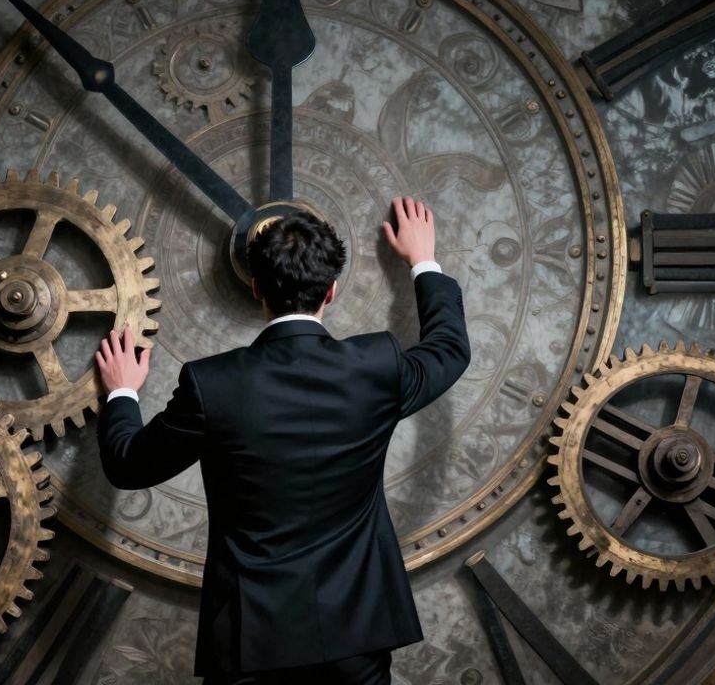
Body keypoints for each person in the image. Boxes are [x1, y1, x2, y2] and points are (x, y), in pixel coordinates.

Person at [94, 197, 470, 684]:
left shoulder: (214, 385)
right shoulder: (377, 365)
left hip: (253, 644)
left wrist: (122, 391)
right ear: (330, 291)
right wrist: (423, 260)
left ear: (255, 288)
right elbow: (450, 348)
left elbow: (127, 465)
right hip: (356, 636)